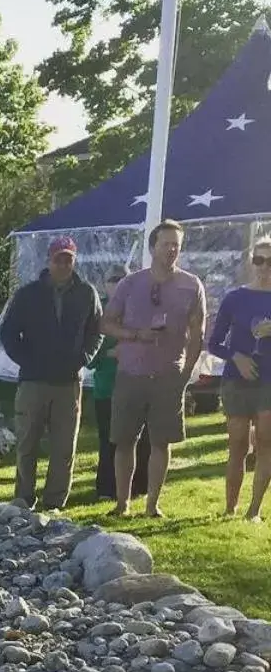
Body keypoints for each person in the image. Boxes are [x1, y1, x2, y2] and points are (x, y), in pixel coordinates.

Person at [100, 219, 207, 518]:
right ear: (152, 247)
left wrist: (185, 374)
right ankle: (123, 504)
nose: (171, 250)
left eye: (176, 245)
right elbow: (106, 323)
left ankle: (152, 505)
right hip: (131, 374)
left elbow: (198, 332)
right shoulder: (130, 283)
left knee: (161, 442)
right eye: (166, 244)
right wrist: (135, 335)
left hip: (168, 376)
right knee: (124, 440)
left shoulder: (190, 284)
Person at [0, 234, 102, 510]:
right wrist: (26, 360)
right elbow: (8, 333)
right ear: (49, 260)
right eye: (59, 259)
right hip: (33, 380)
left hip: (68, 382)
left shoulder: (86, 293)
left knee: (63, 447)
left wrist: (83, 357)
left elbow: (96, 332)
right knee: (27, 442)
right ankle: (23, 497)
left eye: (69, 259)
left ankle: (55, 501)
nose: (64, 264)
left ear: (74, 261)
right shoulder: (28, 294)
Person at [207, 234, 271, 521]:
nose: (265, 266)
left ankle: (254, 511)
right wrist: (237, 356)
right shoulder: (235, 298)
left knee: (266, 444)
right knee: (237, 445)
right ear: (251, 261)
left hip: (269, 381)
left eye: (270, 261)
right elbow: (214, 343)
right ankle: (229, 507)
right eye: (259, 260)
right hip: (236, 379)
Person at [90, 266, 149, 503]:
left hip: (138, 385)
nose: (118, 283)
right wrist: (110, 353)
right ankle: (106, 487)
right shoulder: (96, 313)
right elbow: (88, 356)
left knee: (140, 439)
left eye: (123, 279)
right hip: (107, 387)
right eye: (113, 279)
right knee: (109, 439)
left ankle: (139, 486)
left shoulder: (141, 310)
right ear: (105, 284)